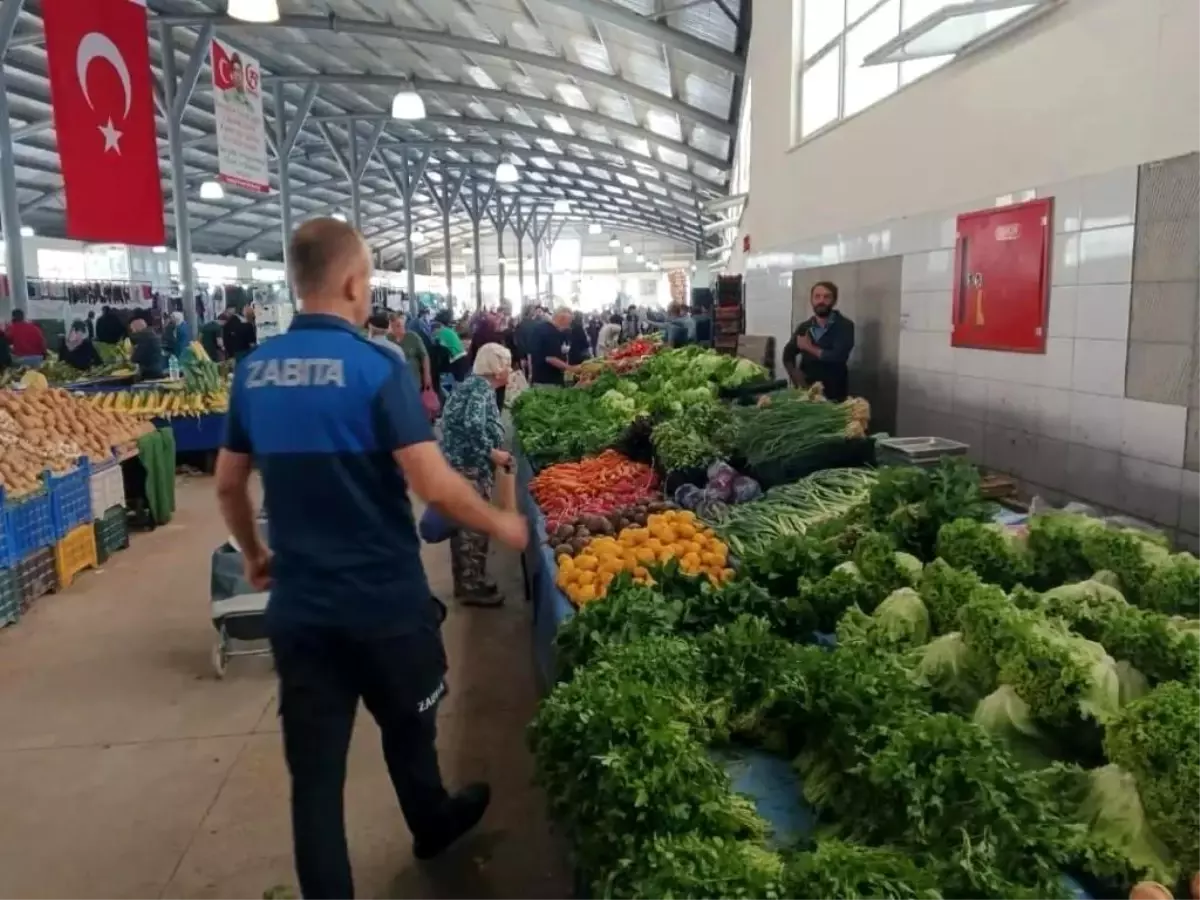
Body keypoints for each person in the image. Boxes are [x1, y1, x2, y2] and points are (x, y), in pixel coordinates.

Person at [214, 218, 528, 900]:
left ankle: (396, 846)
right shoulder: (375, 367)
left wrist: (257, 553)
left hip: (301, 612)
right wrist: (502, 522)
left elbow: (229, 483)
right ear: (355, 281)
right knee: (410, 725)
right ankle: (430, 822)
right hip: (384, 604)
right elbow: (433, 482)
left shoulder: (253, 370)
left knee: (316, 784)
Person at [439, 342, 513, 606]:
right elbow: (472, 426)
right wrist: (493, 453)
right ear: (496, 366)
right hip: (468, 467)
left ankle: (467, 582)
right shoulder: (481, 389)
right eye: (507, 363)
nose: (510, 369)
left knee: (464, 529)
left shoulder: (472, 385)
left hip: (460, 465)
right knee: (473, 528)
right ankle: (473, 586)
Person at [783, 281, 856, 402]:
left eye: (827, 297)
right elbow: (787, 355)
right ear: (811, 300)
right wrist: (796, 377)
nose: (821, 301)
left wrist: (809, 347)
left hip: (835, 391)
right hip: (807, 391)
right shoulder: (804, 327)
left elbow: (838, 356)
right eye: (817, 297)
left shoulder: (845, 326)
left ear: (834, 301)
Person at [529, 307, 576, 386]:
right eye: (568, 323)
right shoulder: (550, 332)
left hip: (539, 378)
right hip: (547, 381)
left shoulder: (541, 327)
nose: (568, 326)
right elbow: (550, 358)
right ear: (561, 319)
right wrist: (571, 368)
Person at [388, 312, 432, 394]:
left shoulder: (413, 337)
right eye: (393, 327)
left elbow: (424, 356)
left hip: (413, 379)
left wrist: (427, 375)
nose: (397, 329)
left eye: (399, 325)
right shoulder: (388, 338)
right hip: (395, 381)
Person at [433, 309, 469, 382]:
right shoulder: (449, 330)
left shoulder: (441, 331)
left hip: (457, 361)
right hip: (462, 359)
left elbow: (437, 346)